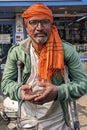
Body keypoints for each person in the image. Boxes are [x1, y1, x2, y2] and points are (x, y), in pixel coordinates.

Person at [1, 3, 87, 130]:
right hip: (27, 119)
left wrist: (58, 91)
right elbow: (6, 84)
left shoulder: (66, 51)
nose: (39, 27)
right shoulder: (17, 52)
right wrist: (20, 92)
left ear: (52, 25)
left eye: (45, 22)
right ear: (26, 26)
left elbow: (82, 84)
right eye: (33, 22)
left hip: (57, 120)